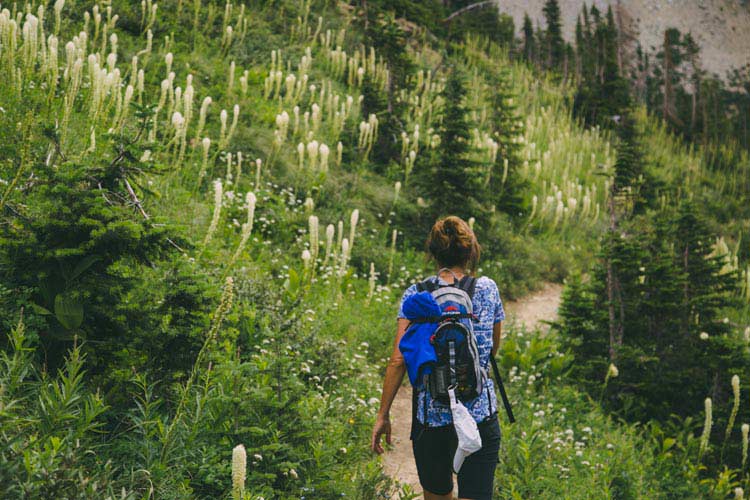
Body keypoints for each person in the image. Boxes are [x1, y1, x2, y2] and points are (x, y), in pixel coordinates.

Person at [371, 215, 505, 500]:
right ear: (470, 251)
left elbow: (398, 361)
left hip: (431, 422)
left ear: (433, 252)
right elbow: (492, 349)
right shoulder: (488, 288)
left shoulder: (416, 294)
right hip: (479, 417)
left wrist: (383, 415)